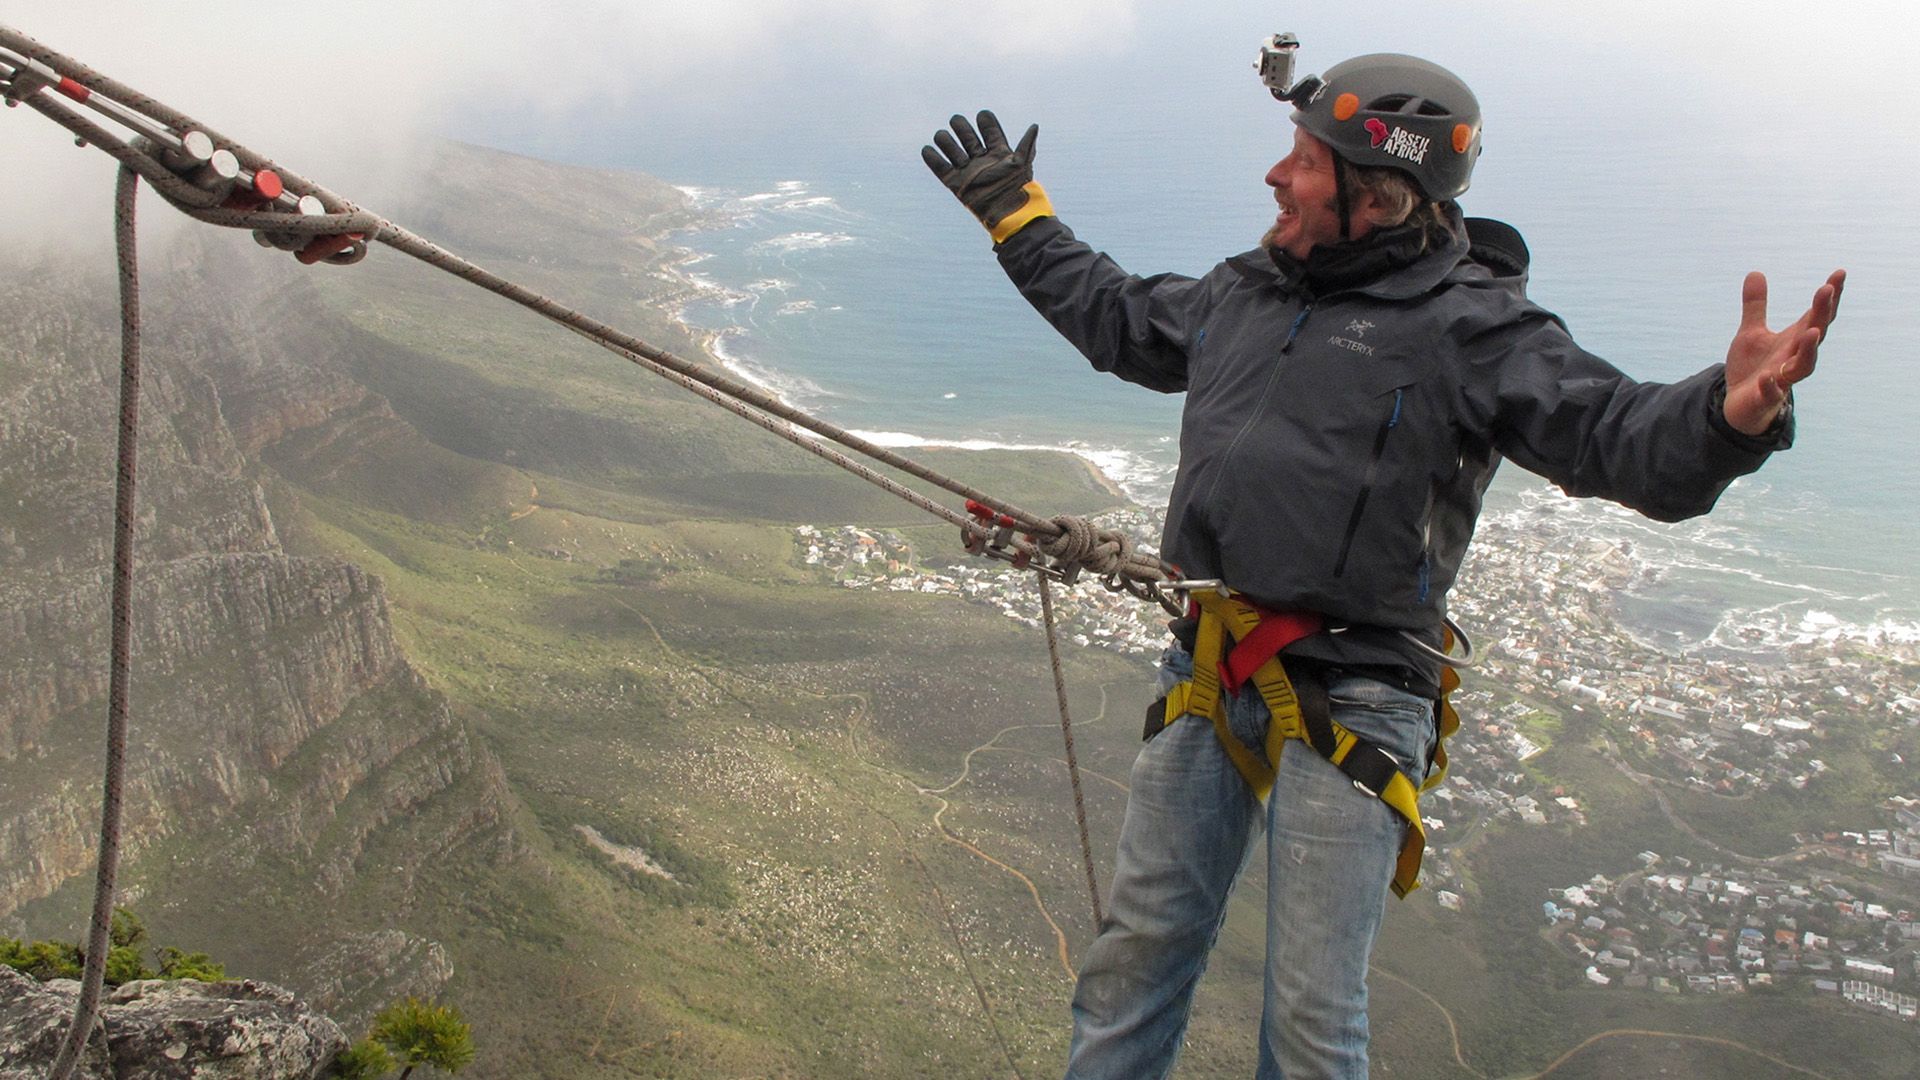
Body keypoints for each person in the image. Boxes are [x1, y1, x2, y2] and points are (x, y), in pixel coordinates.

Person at [923, 46, 1844, 1080]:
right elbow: (1126, 320)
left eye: (1306, 162)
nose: (1277, 178)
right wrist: (1019, 219)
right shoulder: (1250, 292)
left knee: (1313, 1020)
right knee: (1135, 956)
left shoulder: (1469, 326)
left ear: (1379, 193)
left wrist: (1726, 417)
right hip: (1210, 665)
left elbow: (1610, 432)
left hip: (1358, 698)